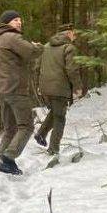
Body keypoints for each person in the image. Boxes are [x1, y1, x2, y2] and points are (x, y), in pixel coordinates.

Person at [0, 10, 42, 176]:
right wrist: (37, 46)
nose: (19, 23)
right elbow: (32, 52)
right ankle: (8, 158)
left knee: (10, 129)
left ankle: (2, 161)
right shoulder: (11, 37)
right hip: (16, 89)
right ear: (7, 23)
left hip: (2, 90)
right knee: (26, 126)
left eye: (20, 20)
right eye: (15, 20)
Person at [34, 24, 83, 158]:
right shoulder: (69, 48)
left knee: (56, 112)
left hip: (45, 88)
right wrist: (78, 87)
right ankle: (53, 149)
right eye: (74, 33)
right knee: (60, 118)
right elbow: (72, 70)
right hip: (60, 88)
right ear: (68, 33)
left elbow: (37, 68)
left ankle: (41, 134)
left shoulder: (45, 46)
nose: (75, 36)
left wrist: (39, 85)